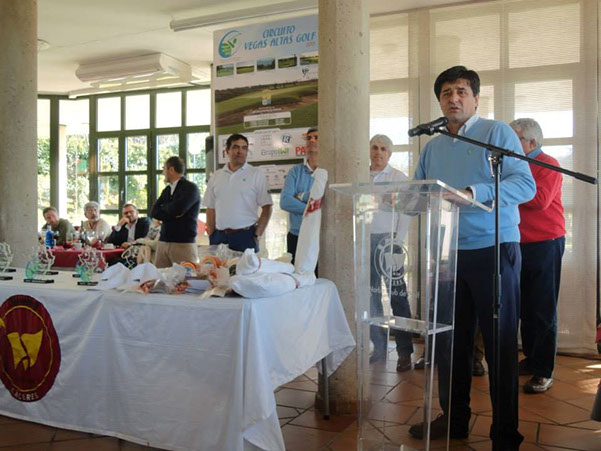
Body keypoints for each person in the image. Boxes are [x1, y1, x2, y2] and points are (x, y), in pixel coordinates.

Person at [409, 66, 535, 449]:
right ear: (439, 101)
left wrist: (473, 192)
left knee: (498, 344)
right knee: (451, 342)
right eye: (447, 92)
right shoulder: (432, 147)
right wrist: (403, 201)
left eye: (462, 91)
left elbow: (524, 184)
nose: (454, 98)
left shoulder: (496, 133)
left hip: (494, 250)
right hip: (447, 254)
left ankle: (505, 431)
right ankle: (455, 419)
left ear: (476, 98)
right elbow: (417, 194)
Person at [510, 118, 566, 394]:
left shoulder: (549, 164)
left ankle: (544, 371)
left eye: (515, 138)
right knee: (524, 308)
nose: (508, 144)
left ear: (531, 142)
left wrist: (506, 191)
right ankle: (532, 359)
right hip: (518, 243)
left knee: (542, 309)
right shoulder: (513, 165)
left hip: (545, 243)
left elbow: (540, 200)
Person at [368, 134, 414, 372]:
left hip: (390, 242)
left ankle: (405, 352)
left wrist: (398, 241)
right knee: (372, 297)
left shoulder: (399, 178)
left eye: (383, 149)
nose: (378, 152)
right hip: (366, 241)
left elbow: (406, 213)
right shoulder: (361, 177)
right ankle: (379, 346)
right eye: (374, 148)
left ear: (389, 154)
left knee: (398, 296)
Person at [203, 133, 273, 253]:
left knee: (246, 266)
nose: (240, 151)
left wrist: (257, 235)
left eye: (244, 148)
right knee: (219, 266)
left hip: (246, 236)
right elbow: (210, 208)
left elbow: (267, 208)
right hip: (219, 237)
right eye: (235, 147)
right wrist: (211, 234)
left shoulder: (256, 174)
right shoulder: (216, 176)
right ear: (227, 151)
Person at [150, 156, 200, 268]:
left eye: (164, 169)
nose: (163, 172)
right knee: (160, 277)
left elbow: (178, 209)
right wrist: (171, 212)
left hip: (183, 243)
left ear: (171, 170)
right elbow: (154, 211)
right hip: (163, 242)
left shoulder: (190, 188)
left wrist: (165, 210)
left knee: (186, 277)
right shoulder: (167, 190)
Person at [280, 127, 318, 263]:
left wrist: (302, 196)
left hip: (321, 236)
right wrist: (313, 209)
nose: (312, 140)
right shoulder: (295, 172)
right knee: (297, 275)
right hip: (297, 236)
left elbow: (327, 201)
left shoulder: (329, 171)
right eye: (309, 138)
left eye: (316, 137)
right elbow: (285, 201)